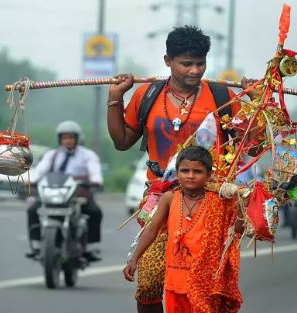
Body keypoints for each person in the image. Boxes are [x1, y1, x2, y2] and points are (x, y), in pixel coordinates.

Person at [107, 25, 255, 313]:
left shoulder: (222, 97)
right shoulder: (147, 96)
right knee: (148, 283)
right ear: (167, 61)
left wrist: (254, 100)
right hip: (160, 198)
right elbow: (122, 141)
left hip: (210, 202)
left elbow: (249, 142)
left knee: (205, 286)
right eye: (186, 63)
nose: (195, 70)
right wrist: (115, 97)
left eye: (200, 63)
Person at [124, 146, 243, 313]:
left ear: (209, 175)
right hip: (175, 281)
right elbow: (152, 230)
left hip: (204, 283)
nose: (190, 176)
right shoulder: (170, 198)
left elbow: (236, 229)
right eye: (185, 171)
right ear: (177, 173)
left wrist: (241, 203)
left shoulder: (218, 201)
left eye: (197, 171)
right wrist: (134, 258)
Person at [26, 120, 103, 262]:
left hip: (78, 193)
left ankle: (91, 248)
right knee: (32, 210)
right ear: (60, 139)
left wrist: (95, 181)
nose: (68, 141)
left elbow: (94, 171)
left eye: (71, 137)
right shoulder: (52, 155)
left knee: (95, 212)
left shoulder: (87, 155)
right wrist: (32, 180)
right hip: (55, 192)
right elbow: (41, 169)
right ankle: (36, 245)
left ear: (77, 139)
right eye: (64, 137)